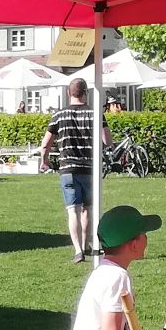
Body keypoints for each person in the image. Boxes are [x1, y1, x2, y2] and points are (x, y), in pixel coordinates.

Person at [40, 78, 110, 263]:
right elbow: (107, 141)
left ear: (68, 93)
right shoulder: (95, 114)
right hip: (90, 169)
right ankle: (87, 245)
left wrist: (44, 161)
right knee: (88, 210)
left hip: (68, 169)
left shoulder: (59, 115)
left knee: (73, 211)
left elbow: (45, 144)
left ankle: (78, 251)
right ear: (86, 93)